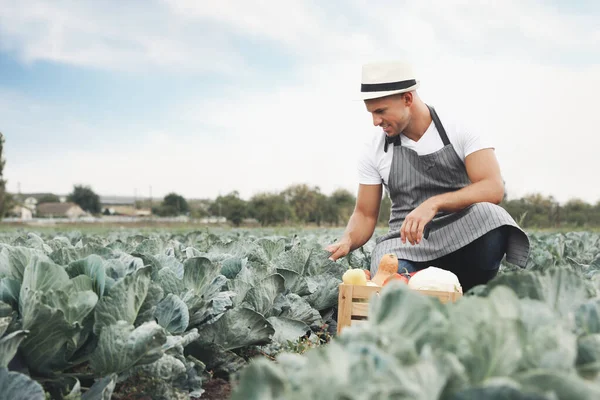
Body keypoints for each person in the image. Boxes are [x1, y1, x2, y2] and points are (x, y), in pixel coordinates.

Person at [326, 61, 530, 292]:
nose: (375, 121)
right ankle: (415, 291)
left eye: (380, 111)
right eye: (371, 113)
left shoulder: (459, 128)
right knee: (387, 262)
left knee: (492, 215)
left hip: (460, 232)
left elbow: (492, 188)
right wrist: (347, 240)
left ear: (407, 99)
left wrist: (434, 203)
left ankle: (473, 288)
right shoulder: (374, 148)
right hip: (407, 242)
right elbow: (364, 214)